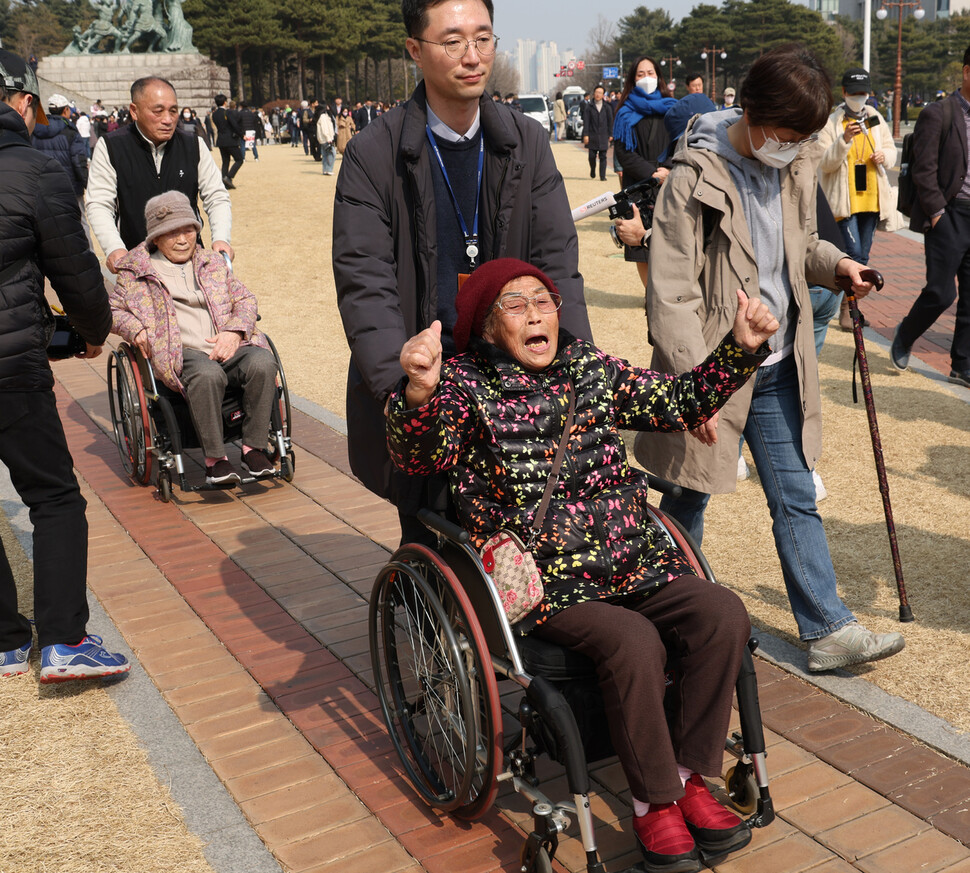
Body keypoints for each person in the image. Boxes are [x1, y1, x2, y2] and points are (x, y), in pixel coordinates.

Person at [388, 258, 780, 872]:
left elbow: (677, 403)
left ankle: (685, 775)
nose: (537, 313)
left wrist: (741, 348)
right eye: (516, 306)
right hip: (552, 583)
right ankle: (654, 805)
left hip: (635, 561)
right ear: (490, 328)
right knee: (633, 640)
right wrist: (417, 390)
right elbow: (419, 454)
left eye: (543, 300)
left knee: (722, 613)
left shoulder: (590, 369)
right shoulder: (464, 385)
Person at [635, 44, 905, 673]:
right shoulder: (692, 178)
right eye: (783, 135)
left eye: (800, 139)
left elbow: (799, 246)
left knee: (793, 494)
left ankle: (829, 628)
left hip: (779, 362)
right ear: (751, 112)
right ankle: (673, 623)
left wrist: (839, 265)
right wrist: (689, 389)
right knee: (685, 498)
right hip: (711, 367)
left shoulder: (794, 162)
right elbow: (670, 293)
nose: (791, 148)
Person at [332, 0, 591, 546]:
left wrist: (575, 367)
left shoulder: (526, 141)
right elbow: (365, 278)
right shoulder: (372, 154)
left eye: (483, 38)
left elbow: (557, 265)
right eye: (452, 42)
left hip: (508, 374)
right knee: (430, 528)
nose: (473, 57)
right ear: (414, 51)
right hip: (429, 379)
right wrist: (401, 393)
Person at [0, 49, 130, 684]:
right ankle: (62, 640)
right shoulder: (32, 169)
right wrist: (88, 334)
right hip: (11, 366)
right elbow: (76, 274)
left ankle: (2, 639)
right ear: (22, 103)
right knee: (53, 497)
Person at [109, 191, 278, 486]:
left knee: (263, 361)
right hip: (179, 353)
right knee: (207, 373)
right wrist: (134, 329)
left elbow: (246, 300)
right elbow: (111, 311)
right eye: (172, 232)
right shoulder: (134, 272)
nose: (183, 239)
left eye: (188, 229)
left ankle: (254, 448)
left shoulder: (213, 263)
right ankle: (216, 460)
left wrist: (234, 331)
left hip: (228, 343)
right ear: (155, 238)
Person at [87, 78, 232, 274]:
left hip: (189, 263)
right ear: (134, 111)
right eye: (158, 111)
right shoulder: (112, 146)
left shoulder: (193, 145)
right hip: (136, 264)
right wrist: (114, 248)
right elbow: (99, 203)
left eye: (173, 111)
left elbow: (216, 196)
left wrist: (221, 238)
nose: (168, 119)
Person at [890, 44, 970, 388]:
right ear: (967, 72)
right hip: (949, 214)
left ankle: (963, 364)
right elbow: (924, 170)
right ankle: (906, 334)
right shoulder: (939, 113)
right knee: (941, 293)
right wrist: (938, 214)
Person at [818, 68, 896, 331]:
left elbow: (889, 148)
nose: (858, 98)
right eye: (853, 93)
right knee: (853, 254)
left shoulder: (875, 117)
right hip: (845, 200)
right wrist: (845, 140)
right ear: (843, 93)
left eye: (862, 93)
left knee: (863, 254)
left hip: (871, 199)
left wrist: (884, 155)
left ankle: (850, 309)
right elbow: (825, 163)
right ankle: (846, 311)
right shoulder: (833, 122)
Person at [612, 55, 677, 289]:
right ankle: (650, 293)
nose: (646, 78)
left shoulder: (672, 108)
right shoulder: (624, 112)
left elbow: (681, 141)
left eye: (650, 73)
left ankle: (668, 292)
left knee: (671, 241)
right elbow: (623, 153)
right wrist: (652, 174)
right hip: (639, 186)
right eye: (640, 74)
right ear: (632, 79)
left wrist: (668, 168)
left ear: (658, 76)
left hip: (670, 183)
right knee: (641, 247)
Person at [32, 93, 90, 240]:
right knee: (80, 220)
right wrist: (85, 183)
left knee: (48, 222)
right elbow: (78, 160)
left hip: (43, 185)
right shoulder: (70, 130)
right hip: (69, 185)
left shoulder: (35, 129)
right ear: (65, 111)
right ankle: (88, 256)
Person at [211, 93, 244, 187]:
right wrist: (242, 135)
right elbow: (234, 125)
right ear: (225, 102)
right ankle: (229, 177)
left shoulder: (214, 114)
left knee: (225, 161)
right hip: (230, 140)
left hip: (221, 140)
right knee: (239, 159)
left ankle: (223, 182)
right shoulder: (227, 112)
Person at [582, 85, 613, 181]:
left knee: (603, 156)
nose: (598, 94)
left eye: (600, 93)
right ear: (594, 94)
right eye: (596, 92)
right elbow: (586, 121)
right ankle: (592, 169)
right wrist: (585, 135)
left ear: (603, 95)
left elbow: (610, 121)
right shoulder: (589, 107)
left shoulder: (607, 107)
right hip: (592, 135)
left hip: (603, 135)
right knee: (592, 156)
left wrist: (611, 134)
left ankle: (602, 176)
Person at [316, 104, 336, 175]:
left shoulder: (324, 116)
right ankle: (329, 169)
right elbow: (325, 129)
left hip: (323, 139)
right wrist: (328, 138)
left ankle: (325, 169)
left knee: (324, 154)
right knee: (332, 153)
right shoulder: (323, 117)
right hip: (326, 139)